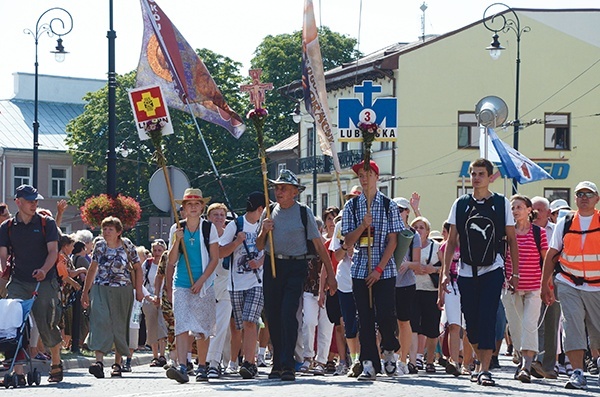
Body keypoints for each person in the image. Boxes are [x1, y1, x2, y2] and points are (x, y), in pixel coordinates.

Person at [440, 158, 518, 387]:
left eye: (481, 174)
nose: (476, 178)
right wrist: (445, 272)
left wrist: (515, 273)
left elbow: (512, 239)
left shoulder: (501, 203)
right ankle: (478, 360)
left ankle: (484, 369)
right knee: (471, 323)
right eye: (473, 173)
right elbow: (452, 240)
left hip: (493, 268)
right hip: (465, 270)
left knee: (486, 318)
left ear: (490, 176)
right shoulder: (461, 204)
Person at [257, 169, 337, 382]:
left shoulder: (303, 212)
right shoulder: (269, 210)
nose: (278, 191)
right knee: (273, 315)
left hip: (296, 266)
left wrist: (330, 274)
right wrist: (264, 231)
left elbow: (319, 245)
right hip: (273, 265)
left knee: (287, 313)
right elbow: (258, 244)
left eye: (283, 187)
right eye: (276, 187)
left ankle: (288, 362)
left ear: (294, 192)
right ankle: (277, 363)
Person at [341, 160, 404, 380]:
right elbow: (347, 242)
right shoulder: (352, 206)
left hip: (384, 270)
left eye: (368, 173)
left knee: (386, 314)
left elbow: (393, 241)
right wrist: (362, 226)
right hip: (360, 268)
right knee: (364, 318)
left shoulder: (389, 205)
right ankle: (368, 361)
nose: (364, 177)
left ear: (376, 176)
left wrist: (379, 269)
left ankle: (388, 350)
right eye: (360, 174)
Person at [0, 185, 62, 383]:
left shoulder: (47, 223)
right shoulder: (7, 227)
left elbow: (53, 251)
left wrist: (44, 270)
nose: (34, 204)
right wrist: (3, 269)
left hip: (44, 280)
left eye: (36, 200)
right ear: (18, 202)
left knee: (46, 322)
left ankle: (56, 363)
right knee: (12, 324)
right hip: (18, 279)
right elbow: (3, 254)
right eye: (29, 201)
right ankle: (18, 372)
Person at [542, 181, 600, 390]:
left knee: (597, 331)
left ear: (597, 199)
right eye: (579, 194)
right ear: (575, 198)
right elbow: (552, 253)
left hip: (597, 286)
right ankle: (577, 372)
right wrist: (544, 284)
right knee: (572, 325)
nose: (584, 197)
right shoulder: (565, 221)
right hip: (569, 282)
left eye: (589, 194)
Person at [166, 188, 219, 383]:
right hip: (181, 283)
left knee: (202, 327)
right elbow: (171, 261)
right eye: (189, 204)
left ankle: (202, 366)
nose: (194, 207)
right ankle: (181, 365)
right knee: (181, 325)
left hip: (203, 284)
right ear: (184, 208)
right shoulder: (177, 228)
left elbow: (215, 258)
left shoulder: (208, 228)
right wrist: (176, 241)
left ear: (202, 207)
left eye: (197, 204)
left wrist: (202, 280)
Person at [81, 216, 143, 378]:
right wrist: (85, 292)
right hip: (100, 288)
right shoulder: (99, 245)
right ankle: (99, 362)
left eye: (110, 229)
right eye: (104, 229)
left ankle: (117, 363)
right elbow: (93, 267)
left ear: (118, 232)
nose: (107, 232)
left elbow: (137, 267)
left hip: (123, 289)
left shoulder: (127, 245)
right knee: (100, 321)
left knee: (119, 325)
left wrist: (139, 290)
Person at [220, 191, 266, 379]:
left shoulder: (266, 226)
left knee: (250, 321)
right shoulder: (235, 225)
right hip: (236, 283)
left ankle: (249, 362)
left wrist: (260, 261)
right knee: (239, 325)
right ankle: (239, 360)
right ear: (261, 208)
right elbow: (222, 252)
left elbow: (272, 249)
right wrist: (237, 241)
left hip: (257, 282)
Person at [502, 195, 547, 383]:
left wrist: (548, 285)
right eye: (513, 207)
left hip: (534, 287)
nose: (515, 210)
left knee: (529, 324)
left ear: (529, 210)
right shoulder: (506, 233)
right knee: (516, 327)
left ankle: (526, 366)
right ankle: (522, 360)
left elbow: (546, 260)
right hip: (510, 288)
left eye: (519, 207)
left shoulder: (539, 233)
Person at [331, 188, 362, 377]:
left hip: (365, 279)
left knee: (367, 323)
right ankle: (355, 359)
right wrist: (345, 246)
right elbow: (337, 255)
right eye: (351, 199)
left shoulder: (369, 222)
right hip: (345, 281)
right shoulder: (340, 225)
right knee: (348, 323)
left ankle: (368, 359)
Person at [530, 196, 560, 379]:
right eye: (533, 209)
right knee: (533, 321)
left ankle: (548, 365)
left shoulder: (556, 230)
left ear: (549, 213)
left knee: (551, 322)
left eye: (539, 209)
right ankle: (534, 361)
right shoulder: (525, 230)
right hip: (531, 280)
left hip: (554, 280)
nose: (535, 213)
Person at [409, 216, 442, 374]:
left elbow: (446, 267)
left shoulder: (436, 247)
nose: (418, 230)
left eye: (422, 227)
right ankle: (414, 360)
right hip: (412, 289)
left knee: (432, 327)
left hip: (431, 290)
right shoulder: (409, 246)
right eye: (415, 227)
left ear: (428, 231)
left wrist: (432, 270)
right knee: (414, 326)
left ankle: (430, 361)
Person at [393, 196, 421, 375]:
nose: (397, 213)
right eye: (394, 210)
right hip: (387, 282)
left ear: (406, 212)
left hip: (406, 283)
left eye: (400, 210)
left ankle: (403, 359)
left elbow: (417, 264)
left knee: (404, 321)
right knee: (385, 321)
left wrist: (407, 264)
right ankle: (388, 357)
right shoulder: (386, 230)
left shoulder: (413, 234)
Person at [205, 202, 232, 378]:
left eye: (222, 215)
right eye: (215, 214)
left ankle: (213, 363)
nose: (219, 218)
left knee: (221, 327)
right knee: (206, 327)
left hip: (226, 284)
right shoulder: (203, 235)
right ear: (208, 218)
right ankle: (202, 360)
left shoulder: (230, 237)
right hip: (206, 284)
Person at [143, 239, 169, 369]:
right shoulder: (147, 264)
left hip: (164, 298)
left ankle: (163, 355)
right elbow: (141, 281)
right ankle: (155, 356)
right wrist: (149, 297)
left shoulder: (168, 263)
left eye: (159, 250)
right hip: (150, 299)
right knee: (152, 326)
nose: (157, 253)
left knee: (162, 325)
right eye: (155, 250)